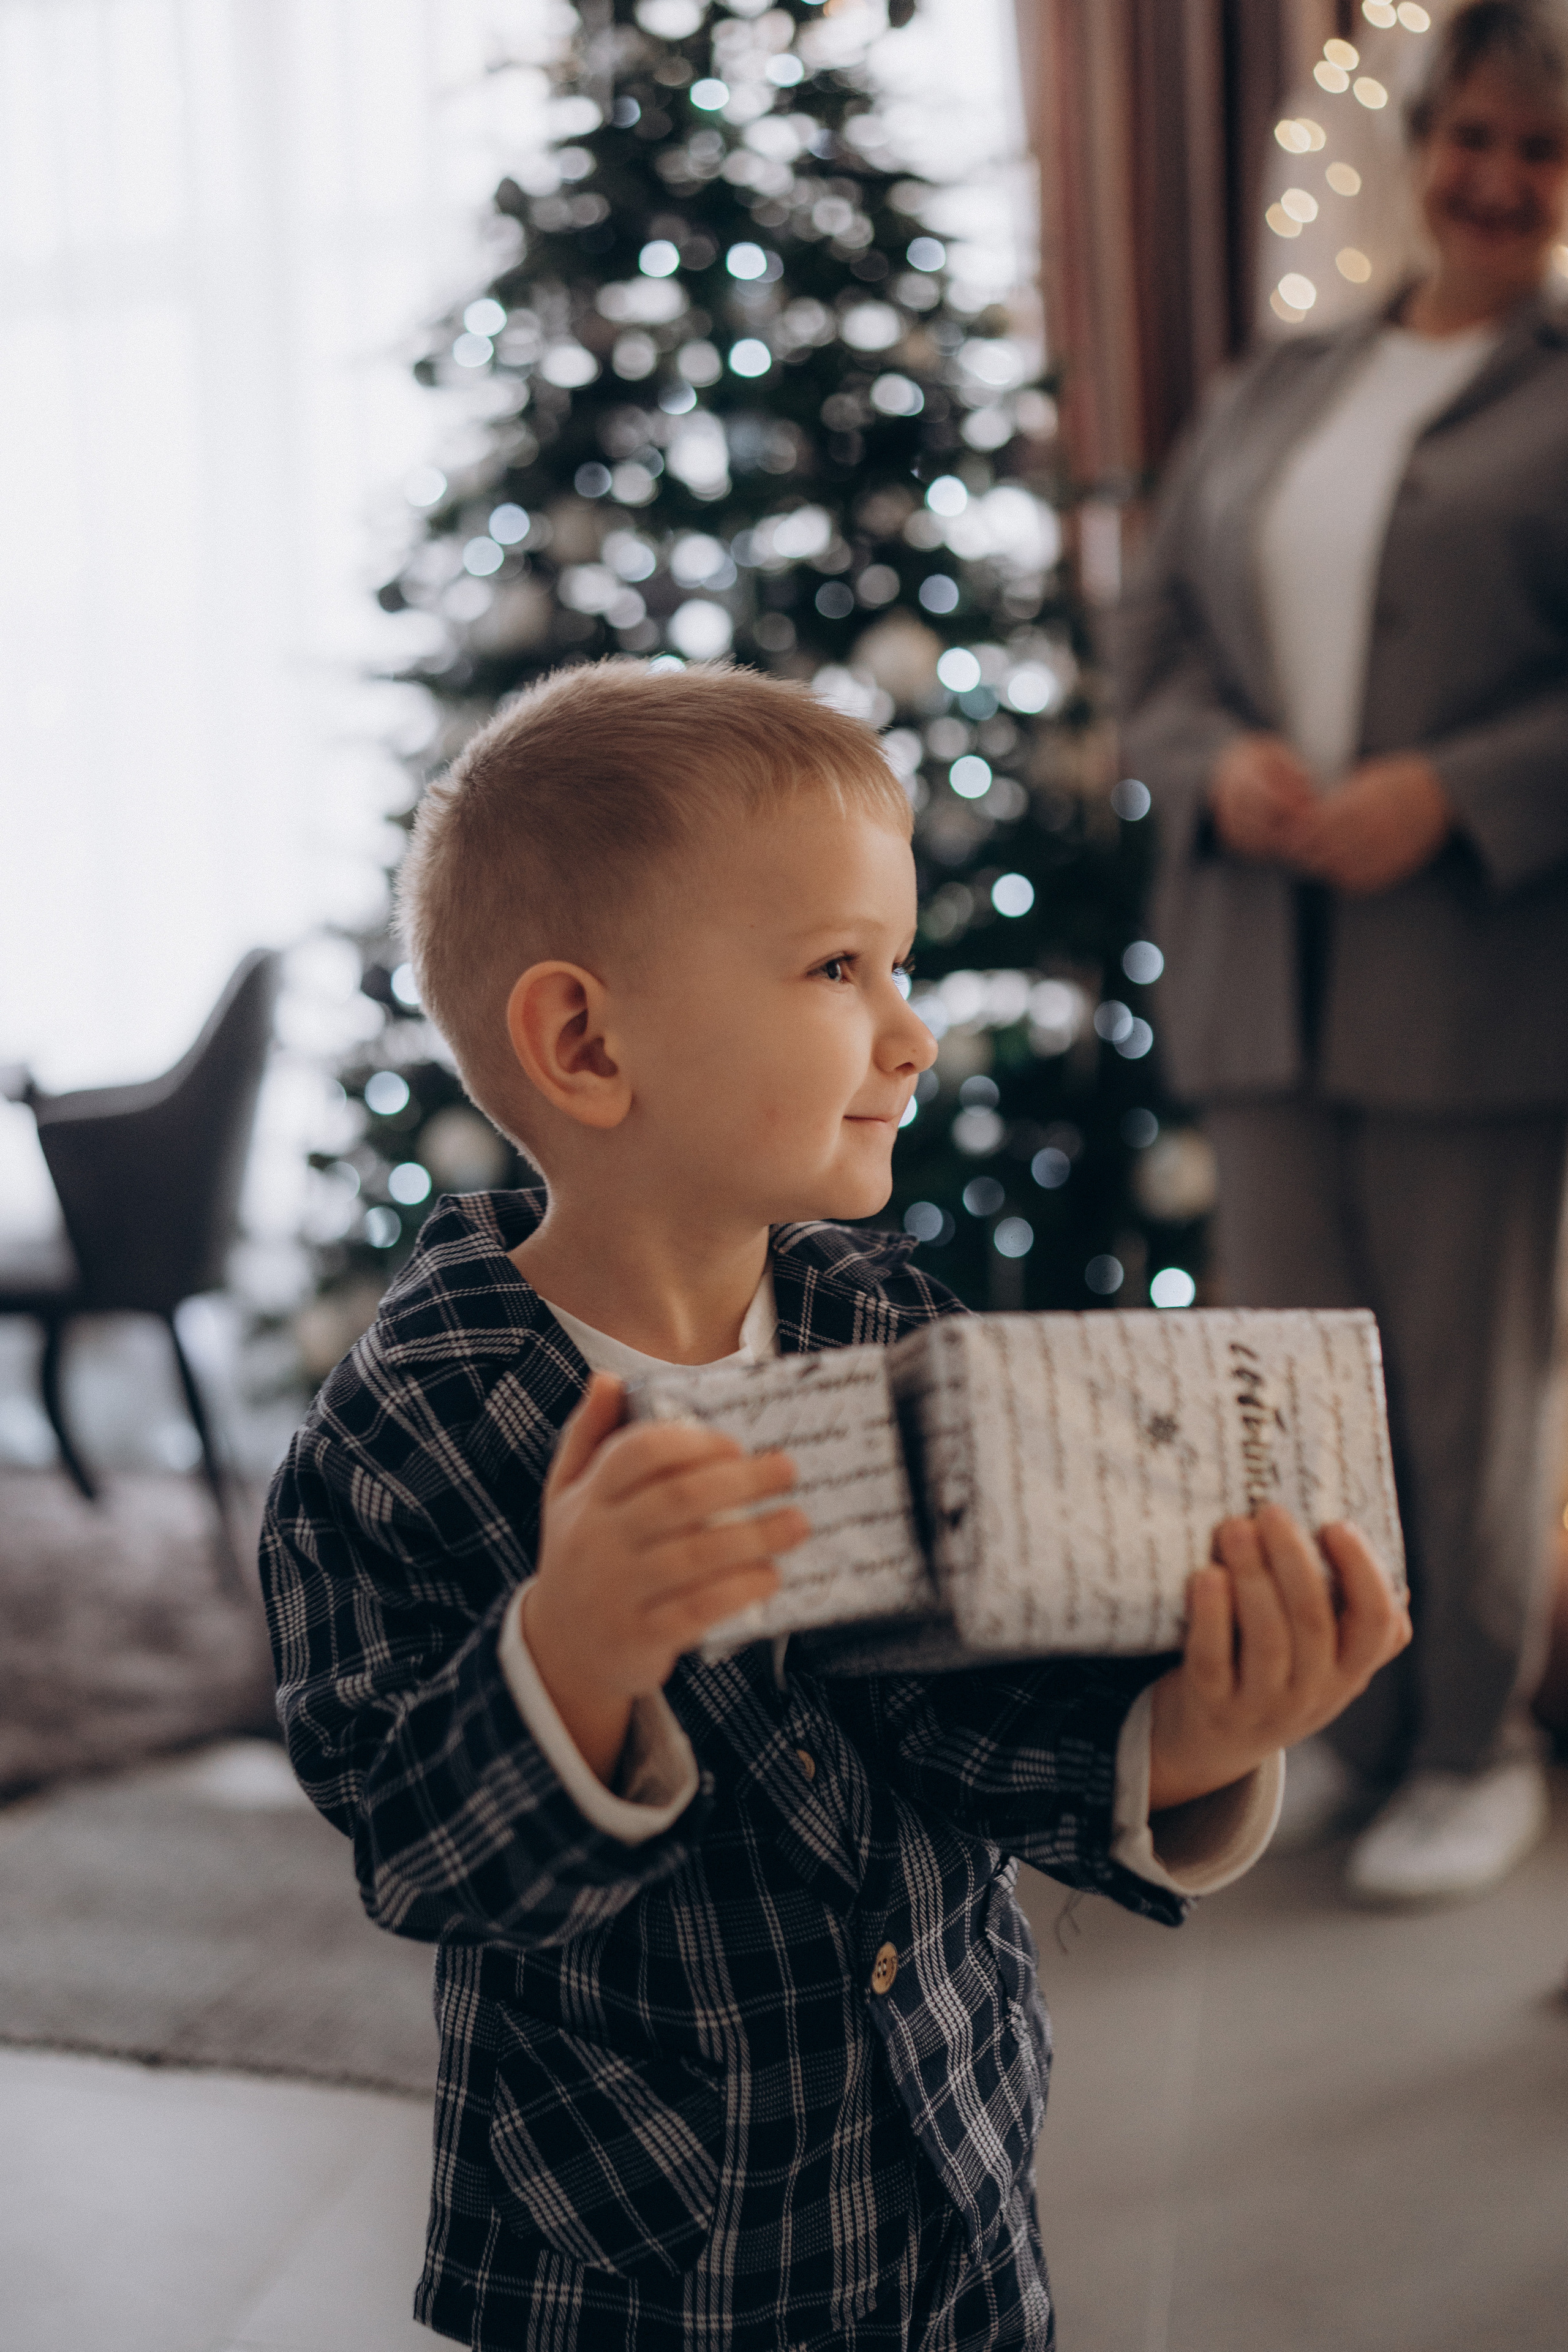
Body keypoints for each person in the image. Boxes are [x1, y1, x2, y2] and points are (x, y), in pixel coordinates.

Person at [260, 661, 1407, 2351]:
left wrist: (1194, 1731)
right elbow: (419, 1854)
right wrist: (565, 1663)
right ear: (587, 1040)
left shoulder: (893, 1329)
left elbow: (970, 1711)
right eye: (839, 968)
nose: (915, 1028)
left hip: (944, 2178)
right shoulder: (407, 1427)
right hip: (645, 2264)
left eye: (904, 965)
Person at [1116, 0, 1568, 1905]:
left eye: (1538, 152)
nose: (1492, 179)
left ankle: (1476, 1746)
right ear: (1418, 143)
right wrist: (1220, 769)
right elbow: (1153, 672)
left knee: (1463, 1388)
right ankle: (1349, 1725)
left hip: (1470, 974)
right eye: (1470, 136)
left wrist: (1454, 791)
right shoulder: (1276, 384)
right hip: (1259, 972)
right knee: (1285, 1386)